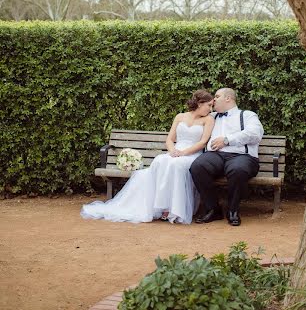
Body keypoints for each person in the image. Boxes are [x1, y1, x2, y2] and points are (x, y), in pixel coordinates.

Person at [81, 90, 214, 224]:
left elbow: (202, 142)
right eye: (208, 105)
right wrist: (173, 150)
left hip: (192, 154)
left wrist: (183, 153)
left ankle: (173, 210)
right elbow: (169, 139)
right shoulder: (180, 116)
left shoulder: (208, 119)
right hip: (175, 151)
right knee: (160, 160)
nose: (210, 109)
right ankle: (161, 206)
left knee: (176, 165)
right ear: (199, 103)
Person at [190, 87, 263, 226]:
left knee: (238, 170)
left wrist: (227, 140)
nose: (213, 100)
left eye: (217, 96)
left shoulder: (247, 115)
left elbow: (255, 133)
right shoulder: (211, 117)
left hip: (242, 156)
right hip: (215, 155)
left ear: (228, 98)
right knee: (198, 167)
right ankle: (213, 209)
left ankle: (233, 210)